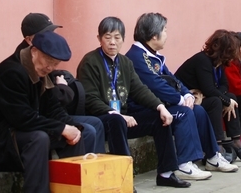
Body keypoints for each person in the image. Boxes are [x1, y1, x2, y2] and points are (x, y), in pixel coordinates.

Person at [77, 17, 190, 188]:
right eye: (107, 37)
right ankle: (124, 179)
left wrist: (160, 107)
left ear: (123, 39)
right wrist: (118, 114)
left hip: (124, 117)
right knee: (115, 121)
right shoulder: (90, 62)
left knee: (160, 119)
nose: (112, 42)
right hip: (102, 119)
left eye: (117, 37)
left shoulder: (125, 62)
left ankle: (166, 173)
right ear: (99, 38)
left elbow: (139, 89)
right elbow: (90, 98)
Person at [125, 12, 237, 176]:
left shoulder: (152, 55)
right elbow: (155, 85)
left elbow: (173, 79)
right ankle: (184, 163)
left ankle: (213, 156)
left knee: (198, 110)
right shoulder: (137, 57)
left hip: (161, 106)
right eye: (164, 30)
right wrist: (179, 99)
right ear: (154, 35)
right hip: (140, 111)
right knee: (184, 112)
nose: (166, 35)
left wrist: (187, 95)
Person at [0, 31, 87, 193]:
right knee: (38, 138)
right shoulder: (12, 72)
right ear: (34, 51)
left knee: (76, 134)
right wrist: (62, 128)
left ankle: (74, 189)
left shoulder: (41, 72)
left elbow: (53, 109)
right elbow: (23, 118)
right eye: (48, 61)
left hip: (19, 132)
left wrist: (72, 127)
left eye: (55, 64)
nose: (50, 67)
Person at [16, 13, 105, 154]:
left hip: (52, 115)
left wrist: (73, 127)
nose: (51, 36)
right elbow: (44, 104)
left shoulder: (47, 56)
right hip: (34, 125)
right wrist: (63, 88)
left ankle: (95, 169)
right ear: (29, 40)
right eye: (46, 33)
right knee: (86, 131)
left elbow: (55, 101)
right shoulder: (25, 64)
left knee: (94, 124)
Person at [175, 30, 241, 163]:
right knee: (216, 101)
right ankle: (216, 148)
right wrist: (226, 100)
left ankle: (236, 142)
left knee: (230, 97)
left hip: (202, 96)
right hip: (188, 99)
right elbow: (209, 89)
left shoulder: (219, 63)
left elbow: (224, 86)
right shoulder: (203, 60)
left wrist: (227, 99)